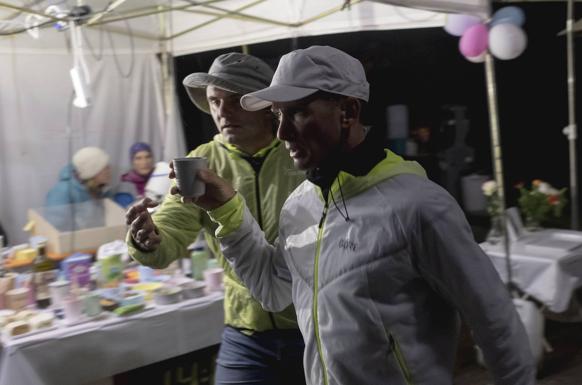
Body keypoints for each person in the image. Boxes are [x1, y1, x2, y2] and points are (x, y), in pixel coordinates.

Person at [169, 46, 536, 385]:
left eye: (297, 112)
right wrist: (228, 210)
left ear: (348, 111)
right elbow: (271, 290)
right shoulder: (300, 205)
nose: (281, 132)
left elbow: (496, 323)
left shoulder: (418, 205)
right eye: (279, 114)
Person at [125, 53, 306, 385]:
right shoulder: (200, 161)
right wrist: (149, 238)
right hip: (245, 331)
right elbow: (174, 226)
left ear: (267, 106)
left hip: (313, 322)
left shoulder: (300, 153)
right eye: (214, 101)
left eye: (236, 100)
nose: (222, 111)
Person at [46, 146, 113, 206]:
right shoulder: (62, 192)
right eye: (105, 168)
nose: (109, 170)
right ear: (92, 172)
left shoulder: (102, 188)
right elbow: (55, 219)